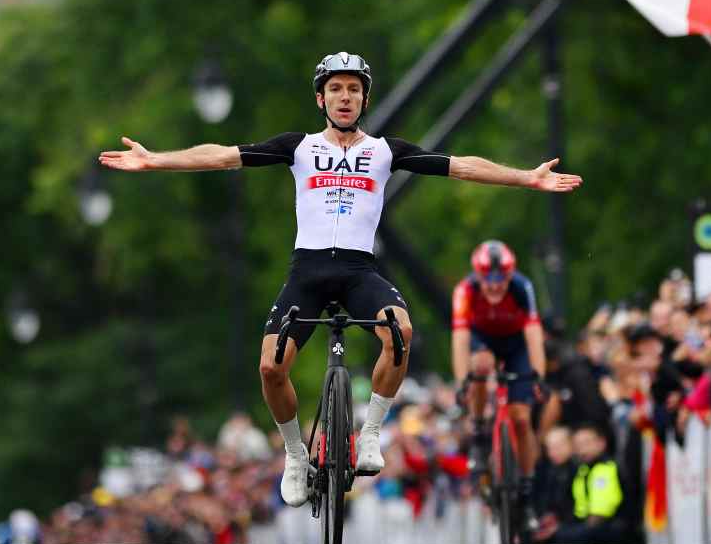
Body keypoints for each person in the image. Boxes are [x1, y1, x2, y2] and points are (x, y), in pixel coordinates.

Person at [98, 52, 582, 509]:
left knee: (401, 331)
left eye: (353, 89)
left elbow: (461, 167)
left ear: (364, 99)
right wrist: (156, 159)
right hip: (307, 272)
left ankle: (369, 434)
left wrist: (526, 177)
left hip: (358, 272)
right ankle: (296, 456)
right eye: (335, 89)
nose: (345, 97)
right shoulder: (298, 147)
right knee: (270, 367)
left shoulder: (385, 151)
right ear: (321, 98)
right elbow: (224, 155)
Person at [451, 239, 547, 531]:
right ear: (478, 276)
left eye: (501, 279)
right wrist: (462, 382)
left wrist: (539, 376)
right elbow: (460, 340)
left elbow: (534, 335)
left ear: (510, 275)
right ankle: (479, 428)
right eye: (488, 280)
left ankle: (527, 492)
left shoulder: (522, 287)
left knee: (521, 418)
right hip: (482, 340)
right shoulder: (465, 291)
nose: (494, 286)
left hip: (516, 344)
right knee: (480, 365)